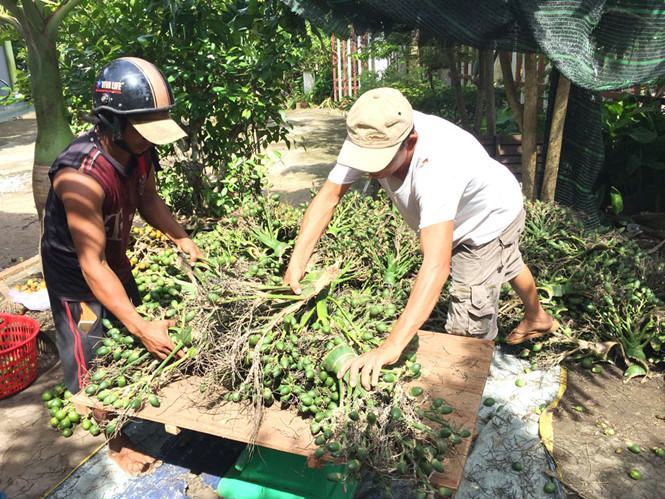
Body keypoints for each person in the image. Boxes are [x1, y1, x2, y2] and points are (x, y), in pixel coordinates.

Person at [283, 87, 557, 391]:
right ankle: (537, 317)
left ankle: (467, 402)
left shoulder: (438, 165)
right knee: (506, 262)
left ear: (410, 142)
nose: (370, 170)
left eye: (380, 162)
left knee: (466, 329)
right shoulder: (370, 132)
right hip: (470, 206)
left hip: (488, 217)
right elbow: (328, 198)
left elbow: (436, 266)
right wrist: (297, 262)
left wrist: (392, 345)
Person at [41, 57, 202, 474]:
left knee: (127, 333)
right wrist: (138, 324)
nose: (150, 141)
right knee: (90, 358)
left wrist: (180, 235)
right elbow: (90, 265)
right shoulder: (80, 176)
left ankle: (135, 403)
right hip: (78, 278)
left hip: (114, 260)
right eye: (144, 131)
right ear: (112, 123)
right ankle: (115, 440)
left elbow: (147, 197)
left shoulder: (138, 151)